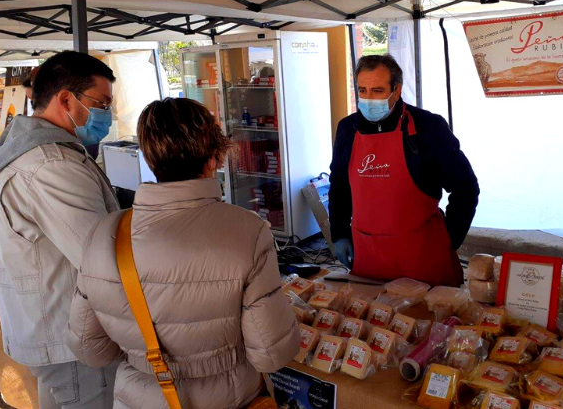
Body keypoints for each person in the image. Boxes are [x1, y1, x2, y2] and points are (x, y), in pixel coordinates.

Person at [68, 98, 299, 409]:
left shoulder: (104, 234)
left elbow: (89, 349)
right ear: (213, 159)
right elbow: (271, 353)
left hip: (138, 399)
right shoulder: (247, 231)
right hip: (229, 397)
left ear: (151, 159)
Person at [0, 51, 119, 408]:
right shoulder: (51, 166)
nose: (107, 113)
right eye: (101, 102)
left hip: (52, 330)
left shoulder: (40, 153)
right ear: (65, 99)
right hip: (70, 337)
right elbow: (99, 258)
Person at [329, 54, 479, 287]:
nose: (368, 99)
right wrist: (339, 233)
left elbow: (465, 188)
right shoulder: (348, 129)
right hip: (368, 260)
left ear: (396, 91)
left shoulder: (429, 128)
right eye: (362, 90)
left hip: (423, 262)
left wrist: (449, 239)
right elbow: (339, 185)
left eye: (377, 91)